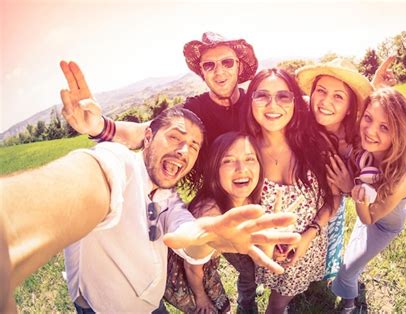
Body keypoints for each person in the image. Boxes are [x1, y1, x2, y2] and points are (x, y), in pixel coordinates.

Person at [0, 105, 302, 313]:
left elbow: (186, 232)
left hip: (153, 305)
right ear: (147, 138)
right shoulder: (120, 166)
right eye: (175, 137)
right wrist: (11, 228)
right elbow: (89, 181)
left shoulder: (169, 197)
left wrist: (208, 235)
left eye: (194, 146)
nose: (183, 151)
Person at [241, 68, 339, 314]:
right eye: (262, 95)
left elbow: (334, 198)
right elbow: (237, 205)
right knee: (273, 293)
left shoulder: (316, 143)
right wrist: (266, 242)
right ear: (250, 101)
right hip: (266, 247)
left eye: (283, 96)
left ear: (296, 102)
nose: (273, 104)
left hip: (309, 243)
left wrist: (308, 236)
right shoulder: (243, 151)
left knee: (278, 303)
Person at [60, 32, 258, 148]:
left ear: (239, 67)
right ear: (202, 73)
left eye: (227, 62)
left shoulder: (258, 105)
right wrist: (98, 126)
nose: (219, 72)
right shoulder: (193, 110)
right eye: (209, 66)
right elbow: (143, 132)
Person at [296, 58, 389, 281]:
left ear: (350, 108)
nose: (326, 101)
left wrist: (349, 186)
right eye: (321, 91)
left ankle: (316, 275)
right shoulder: (299, 119)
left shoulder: (359, 138)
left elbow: (367, 184)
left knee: (325, 245)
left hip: (334, 204)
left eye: (338, 96)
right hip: (302, 201)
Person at [329, 87, 406, 312]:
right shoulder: (368, 150)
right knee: (352, 256)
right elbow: (355, 155)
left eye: (384, 127)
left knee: (347, 269)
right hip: (367, 208)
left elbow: (369, 218)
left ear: (400, 134)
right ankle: (351, 285)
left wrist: (351, 188)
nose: (370, 131)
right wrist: (344, 150)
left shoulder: (401, 178)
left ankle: (349, 304)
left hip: (384, 225)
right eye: (368, 118)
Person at [164, 132, 263, 313]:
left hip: (206, 266)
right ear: (214, 169)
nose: (241, 168)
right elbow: (192, 267)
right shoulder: (209, 213)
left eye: (250, 158)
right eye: (228, 161)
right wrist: (200, 297)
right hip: (183, 273)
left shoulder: (246, 196)